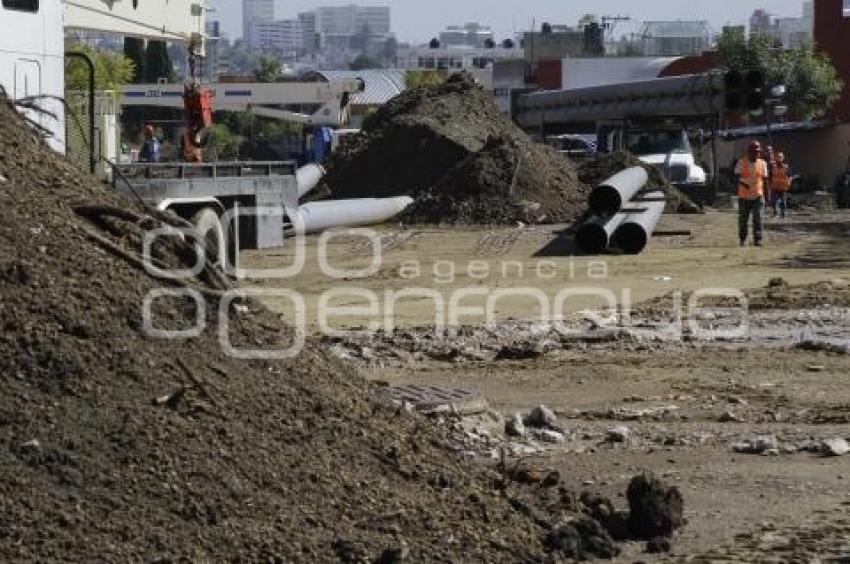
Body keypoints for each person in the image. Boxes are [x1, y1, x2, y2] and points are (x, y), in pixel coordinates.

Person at [734, 140, 769, 247]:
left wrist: (767, 197)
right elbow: (735, 178)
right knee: (743, 219)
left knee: (757, 218)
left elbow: (766, 180)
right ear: (749, 152)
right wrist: (743, 184)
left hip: (758, 196)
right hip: (744, 197)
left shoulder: (763, 164)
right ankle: (743, 239)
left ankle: (757, 239)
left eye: (758, 151)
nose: (756, 153)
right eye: (754, 151)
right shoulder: (741, 162)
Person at [771, 151, 793, 218]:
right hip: (775, 187)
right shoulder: (773, 167)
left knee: (783, 201)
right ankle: (775, 213)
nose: (779, 159)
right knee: (774, 201)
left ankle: (783, 214)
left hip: (783, 187)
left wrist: (789, 182)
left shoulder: (786, 167)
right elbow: (770, 176)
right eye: (777, 157)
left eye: (780, 157)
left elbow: (790, 176)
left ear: (783, 158)